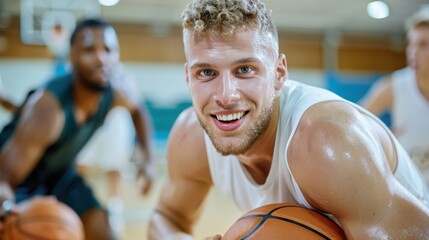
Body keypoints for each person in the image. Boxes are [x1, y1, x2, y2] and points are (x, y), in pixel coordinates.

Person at [148, 0, 429, 239]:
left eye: (245, 69)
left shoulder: (326, 141)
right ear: (188, 77)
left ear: (279, 74)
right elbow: (166, 217)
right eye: (206, 73)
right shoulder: (191, 137)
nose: (225, 96)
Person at [0, 18, 155, 240]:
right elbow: (3, 176)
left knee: (104, 231)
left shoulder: (118, 90)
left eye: (109, 50)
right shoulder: (48, 109)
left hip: (60, 174)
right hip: (18, 184)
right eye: (89, 50)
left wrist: (148, 158)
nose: (102, 58)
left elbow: (138, 109)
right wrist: (7, 210)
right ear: (72, 56)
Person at [361, 8, 429, 186]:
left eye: (423, 44)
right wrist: (379, 138)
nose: (413, 52)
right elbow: (353, 122)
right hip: (411, 190)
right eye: (411, 44)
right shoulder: (394, 86)